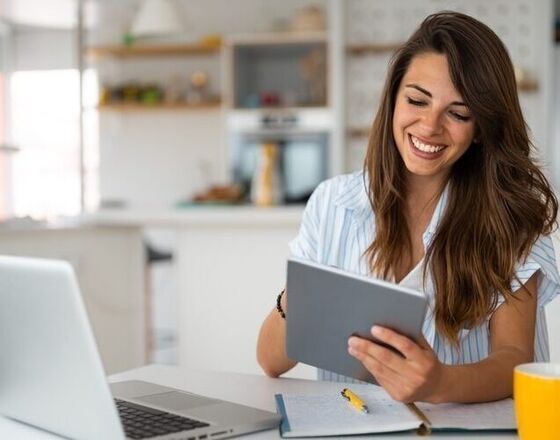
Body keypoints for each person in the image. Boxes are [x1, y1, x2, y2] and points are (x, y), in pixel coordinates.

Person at [256, 11, 560, 404]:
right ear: (393, 99)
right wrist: (300, 296)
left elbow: (515, 360)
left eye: (458, 113)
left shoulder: (509, 218)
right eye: (417, 100)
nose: (430, 126)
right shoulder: (333, 204)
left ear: (482, 127)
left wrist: (439, 384)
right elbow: (270, 361)